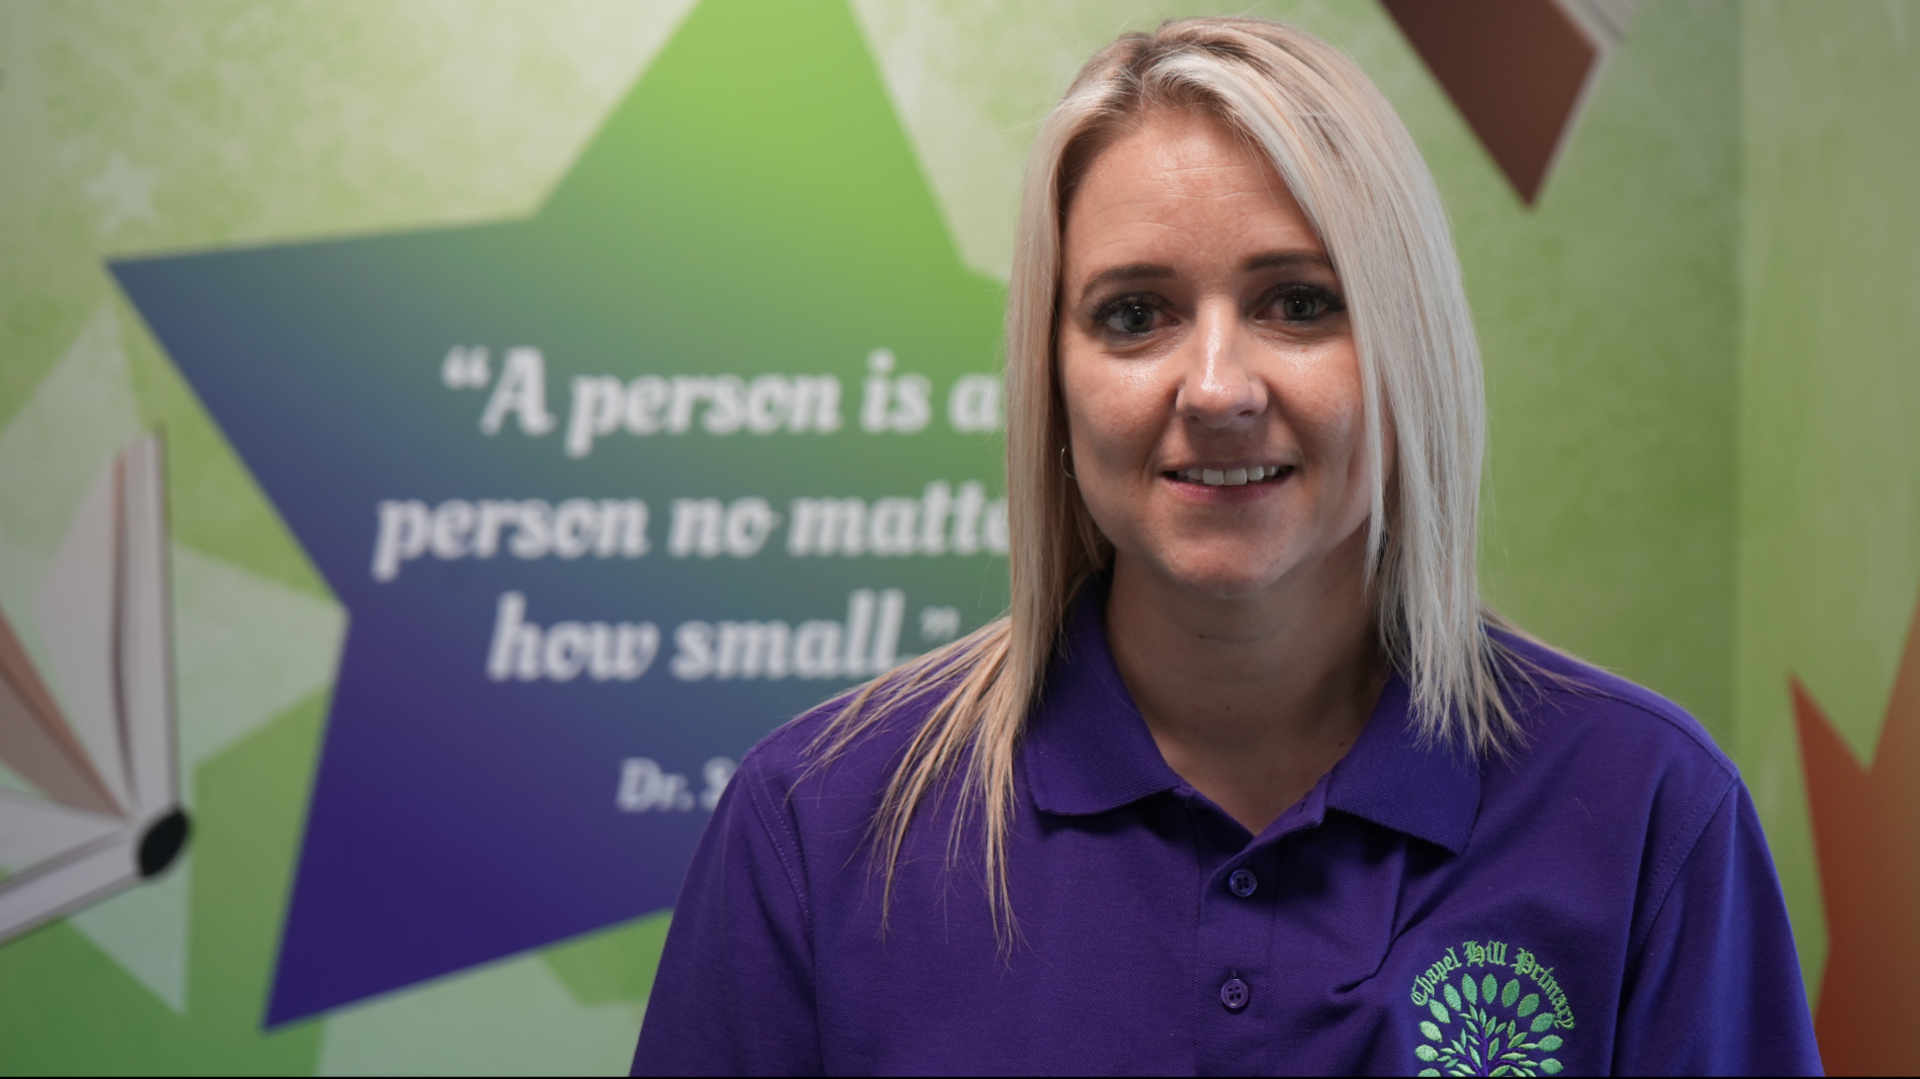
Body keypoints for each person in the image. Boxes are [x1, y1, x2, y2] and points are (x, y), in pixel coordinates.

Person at [632, 17, 1821, 1076]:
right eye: (1134, 314)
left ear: (1409, 348)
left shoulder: (1650, 812)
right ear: (1055, 379)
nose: (1216, 386)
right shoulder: (822, 823)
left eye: (1299, 301)